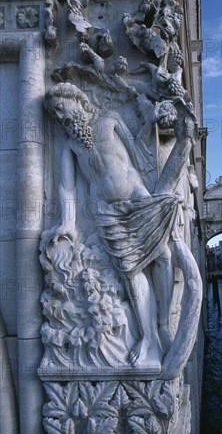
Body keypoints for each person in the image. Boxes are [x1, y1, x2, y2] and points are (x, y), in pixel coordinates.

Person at [45, 82, 195, 367]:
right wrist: (67, 221)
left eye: (61, 108)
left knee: (162, 255)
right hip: (105, 211)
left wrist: (150, 121)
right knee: (131, 271)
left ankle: (164, 324)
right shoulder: (68, 143)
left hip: (137, 196)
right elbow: (66, 186)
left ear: (76, 99)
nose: (61, 117)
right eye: (55, 114)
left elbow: (139, 150)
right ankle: (147, 336)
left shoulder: (110, 118)